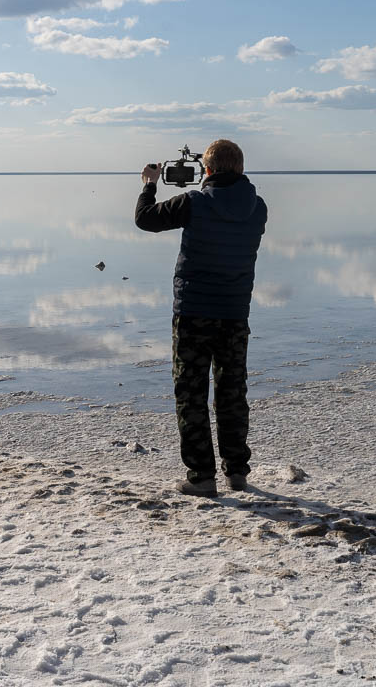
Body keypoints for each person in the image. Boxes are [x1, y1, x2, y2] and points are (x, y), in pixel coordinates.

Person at [134, 139, 268, 497]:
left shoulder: (193, 202)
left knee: (191, 393)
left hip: (194, 311)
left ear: (206, 170)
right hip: (235, 313)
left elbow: (145, 220)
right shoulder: (258, 207)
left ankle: (202, 477)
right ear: (241, 169)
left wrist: (150, 184)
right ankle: (236, 471)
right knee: (232, 392)